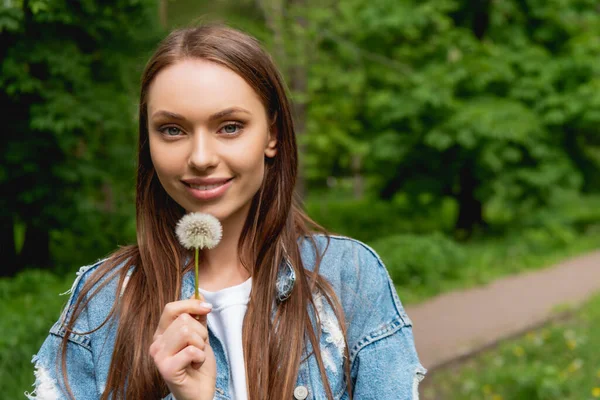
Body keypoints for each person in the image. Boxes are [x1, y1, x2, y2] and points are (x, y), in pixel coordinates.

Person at [27, 24, 426, 400]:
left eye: (230, 127)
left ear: (272, 134)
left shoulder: (349, 279)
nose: (200, 158)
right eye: (172, 130)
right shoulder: (103, 302)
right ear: (147, 140)